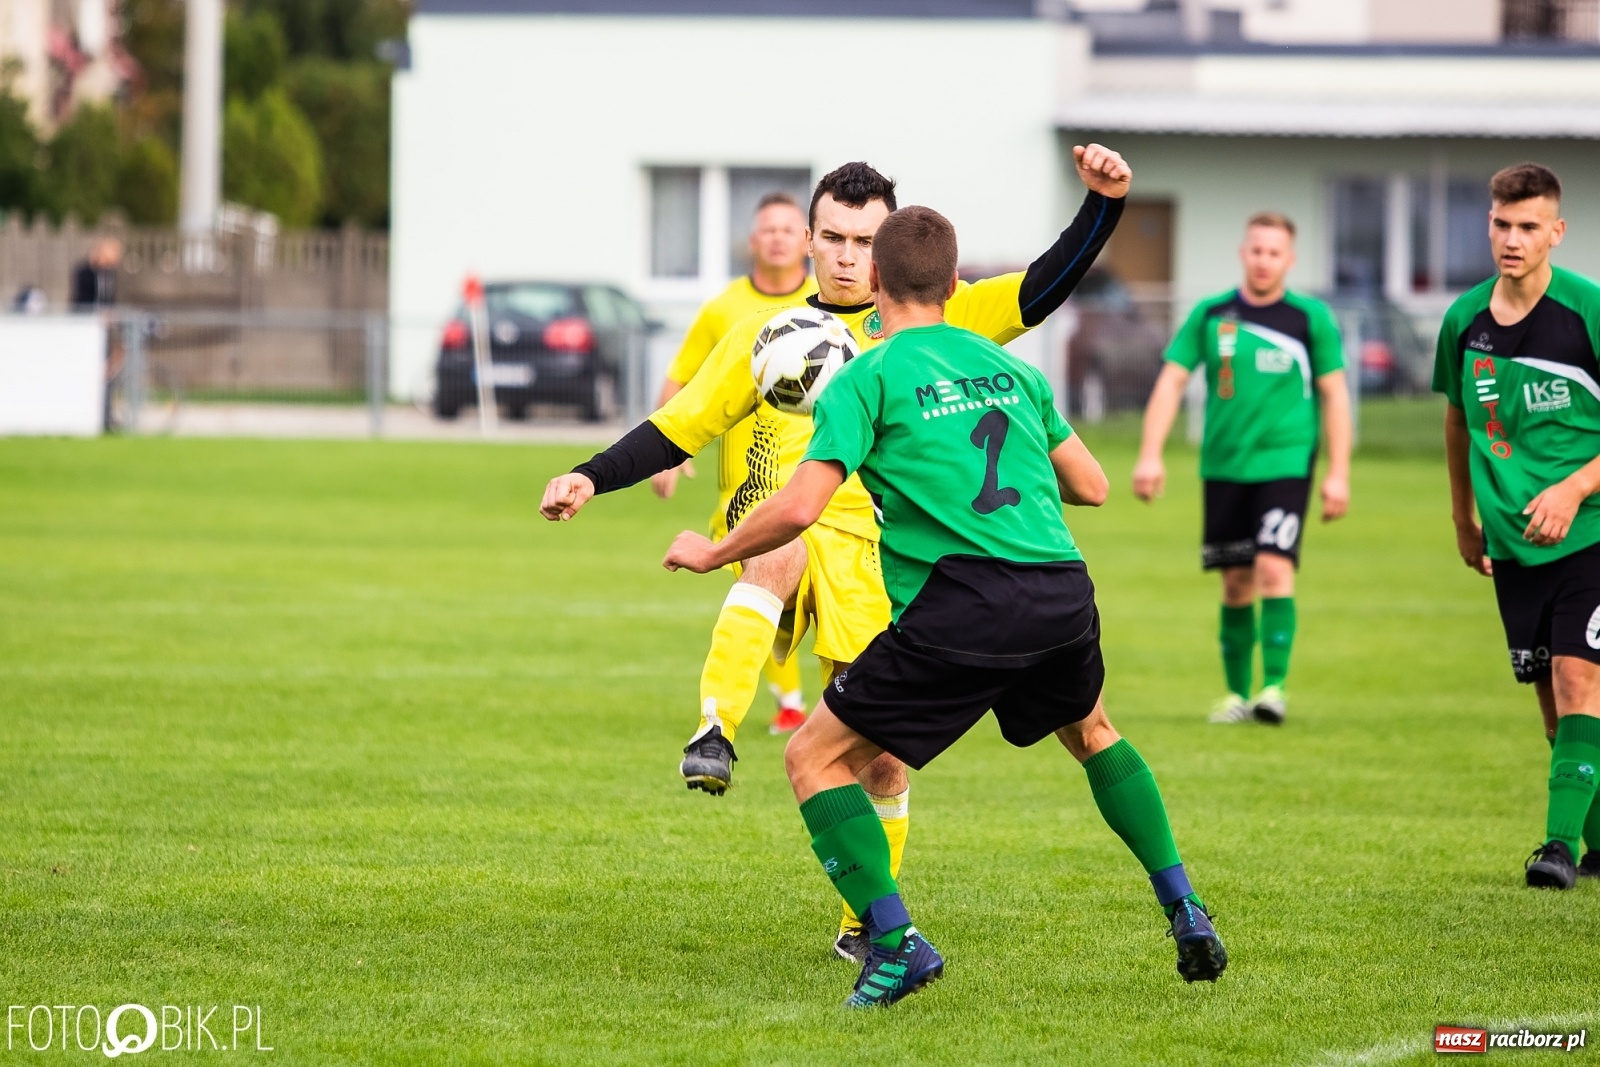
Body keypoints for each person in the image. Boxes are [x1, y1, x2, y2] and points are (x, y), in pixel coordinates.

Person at [541, 149, 1130, 962]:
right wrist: (589, 474)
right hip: (786, 519)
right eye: (834, 238)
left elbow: (1042, 285)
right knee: (775, 555)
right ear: (809, 241)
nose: (848, 257)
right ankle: (715, 727)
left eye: (864, 241)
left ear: (885, 250)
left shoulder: (939, 311)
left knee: (880, 763)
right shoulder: (768, 335)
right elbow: (680, 426)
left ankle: (867, 922)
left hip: (883, 559)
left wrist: (1102, 204)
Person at [662, 205, 1227, 1007]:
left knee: (812, 758)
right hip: (1061, 587)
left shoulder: (867, 376)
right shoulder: (1012, 369)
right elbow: (1093, 486)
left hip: (965, 600)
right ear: (955, 285)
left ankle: (894, 943)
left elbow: (799, 506)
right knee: (1093, 731)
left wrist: (713, 551)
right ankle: (1185, 905)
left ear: (877, 280)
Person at [1433, 162, 1600, 890]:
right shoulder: (1464, 320)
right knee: (1553, 708)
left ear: (1556, 232)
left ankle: (1556, 847)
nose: (1512, 238)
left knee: (1576, 677)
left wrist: (1575, 486)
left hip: (1591, 531)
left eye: (1529, 226)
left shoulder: (1588, 311)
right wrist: (1463, 517)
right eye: (1502, 224)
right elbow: (1458, 420)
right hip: (1511, 542)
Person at [1132, 212, 1351, 725]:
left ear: (1289, 260)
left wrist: (1338, 472)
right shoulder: (1212, 314)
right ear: (1243, 253)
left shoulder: (1309, 319)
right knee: (1235, 582)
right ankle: (1235, 696)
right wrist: (1150, 453)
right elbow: (1171, 381)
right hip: (1225, 466)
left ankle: (1273, 690)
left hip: (1285, 463)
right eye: (1256, 250)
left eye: (1274, 252)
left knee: (1274, 568)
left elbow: (1335, 395)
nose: (1263, 260)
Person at [651, 192, 818, 734]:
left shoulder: (830, 304)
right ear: (752, 242)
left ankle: (818, 707)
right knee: (767, 579)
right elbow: (681, 378)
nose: (777, 238)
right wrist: (667, 456)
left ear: (807, 241)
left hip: (822, 482)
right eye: (768, 229)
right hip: (745, 485)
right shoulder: (723, 308)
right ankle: (787, 702)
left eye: (788, 229)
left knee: (794, 591)